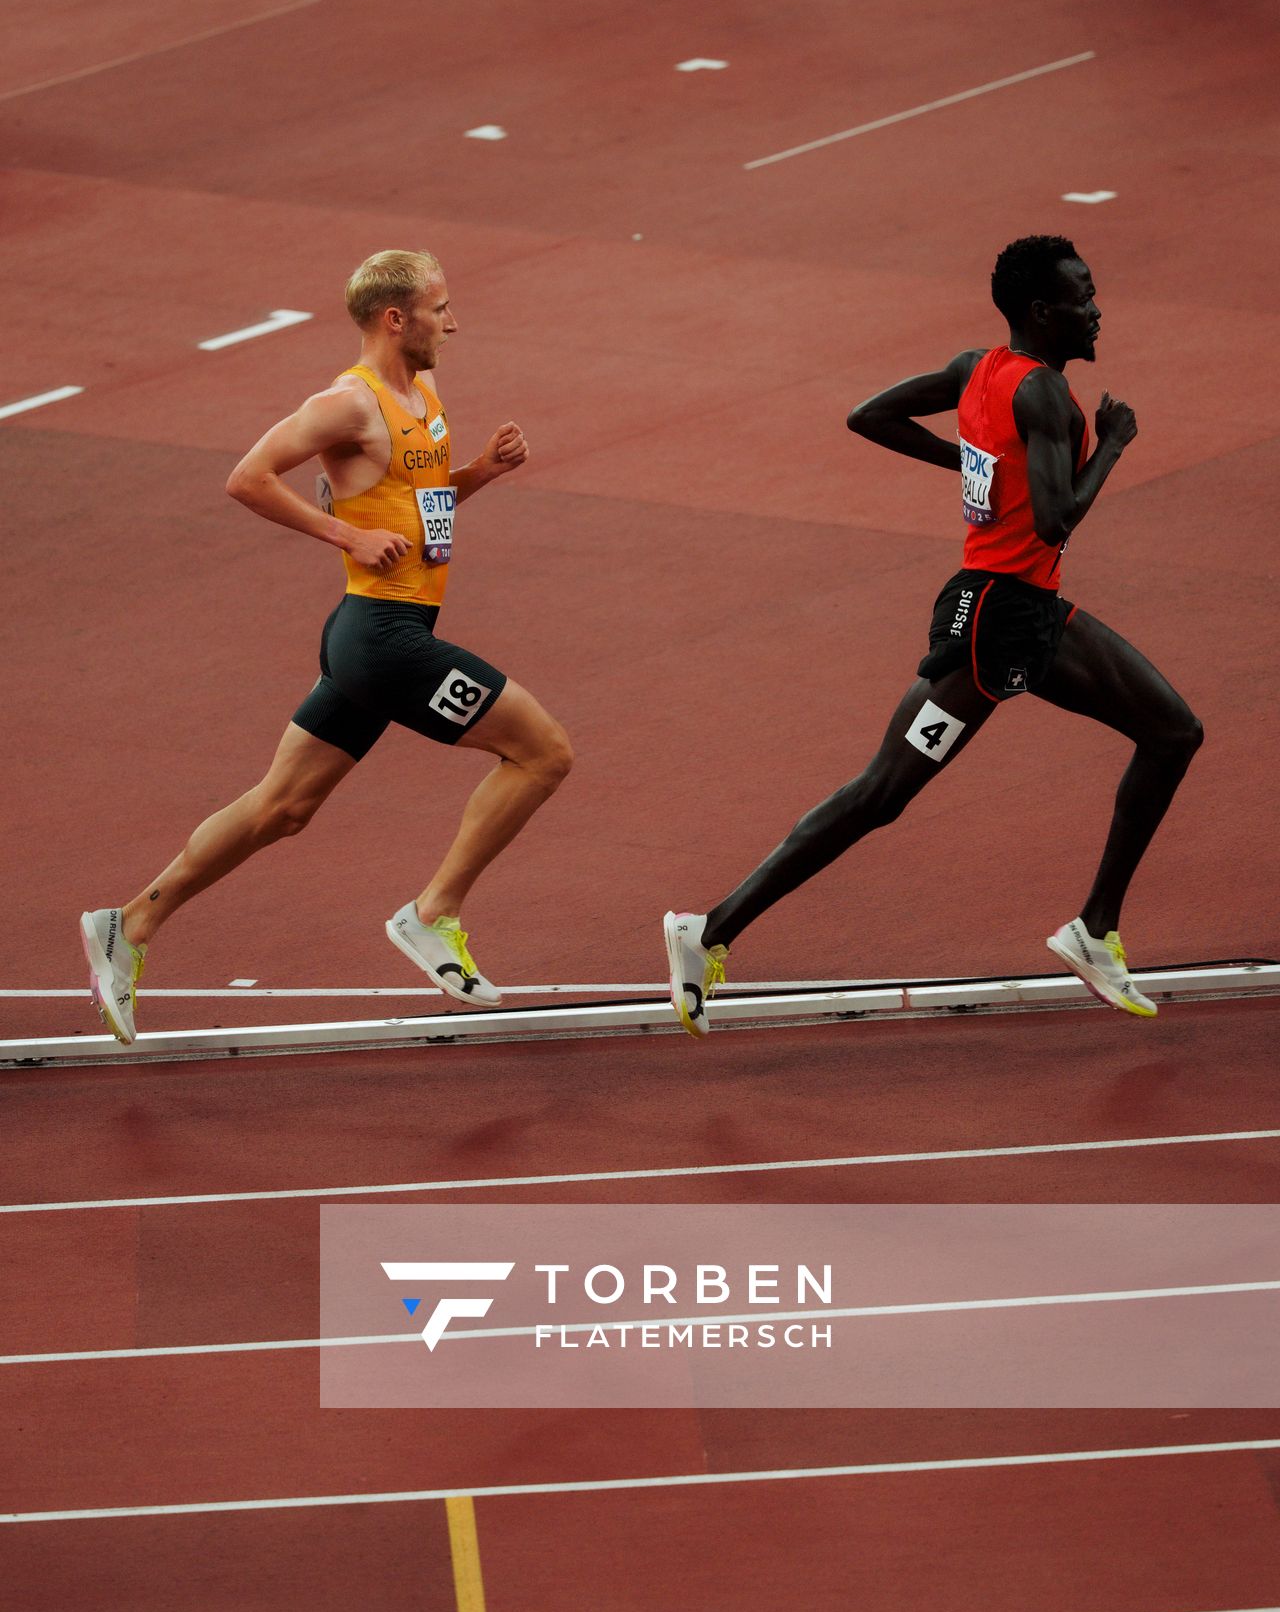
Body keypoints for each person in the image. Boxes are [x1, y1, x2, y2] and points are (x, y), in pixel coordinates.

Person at [663, 234, 1202, 1036]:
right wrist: (1115, 444)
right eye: (1083, 296)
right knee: (882, 793)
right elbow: (1055, 520)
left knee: (1171, 731)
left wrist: (972, 462)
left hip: (1022, 613)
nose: (1097, 309)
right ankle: (707, 930)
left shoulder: (975, 369)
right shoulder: (1045, 395)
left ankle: (1094, 929)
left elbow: (870, 416)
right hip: (996, 624)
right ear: (1042, 311)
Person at [81, 249, 572, 1044]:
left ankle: (128, 924)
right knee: (543, 753)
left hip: (380, 638)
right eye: (440, 308)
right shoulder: (348, 404)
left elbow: (420, 508)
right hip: (381, 638)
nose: (453, 322)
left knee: (283, 807)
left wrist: (481, 471)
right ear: (396, 319)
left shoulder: (422, 395)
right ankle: (432, 914)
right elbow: (248, 477)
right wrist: (346, 535)